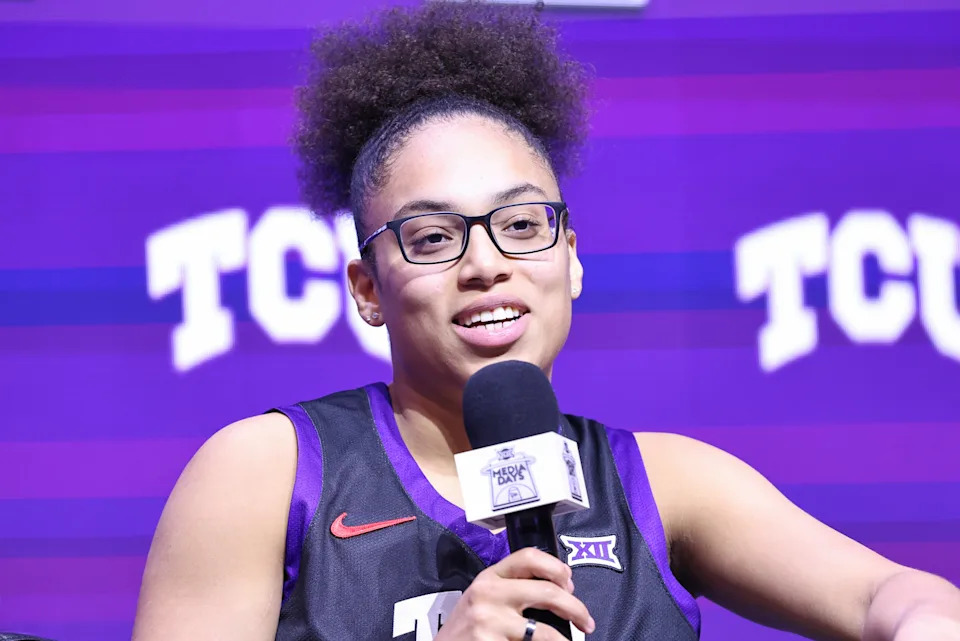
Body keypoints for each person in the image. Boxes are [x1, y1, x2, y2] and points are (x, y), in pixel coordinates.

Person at [131, 3, 960, 640]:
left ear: (572, 255)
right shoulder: (266, 472)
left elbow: (894, 595)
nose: (485, 262)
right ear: (368, 288)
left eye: (522, 225)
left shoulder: (670, 483)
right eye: (431, 237)